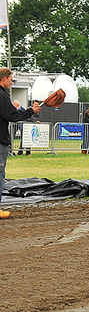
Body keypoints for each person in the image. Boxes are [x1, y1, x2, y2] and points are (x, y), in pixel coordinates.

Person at [0, 68, 42, 218]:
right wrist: (31, 111)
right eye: (11, 79)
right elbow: (12, 115)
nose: (12, 82)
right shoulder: (2, 96)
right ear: (4, 79)